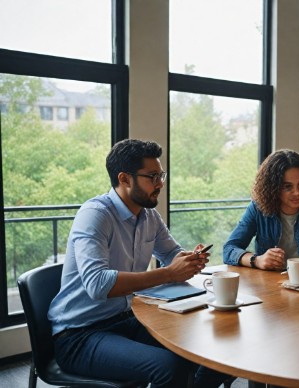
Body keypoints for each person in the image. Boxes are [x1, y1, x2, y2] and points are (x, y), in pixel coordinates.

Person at [48, 139, 232, 387]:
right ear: (124, 179)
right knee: (169, 366)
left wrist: (188, 260)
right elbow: (98, 284)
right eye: (152, 176)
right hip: (80, 335)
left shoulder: (148, 216)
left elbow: (171, 253)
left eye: (161, 175)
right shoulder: (95, 215)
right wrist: (169, 273)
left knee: (213, 346)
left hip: (128, 319)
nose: (160, 184)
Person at [223, 149, 299, 271]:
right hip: (268, 285)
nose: (297, 192)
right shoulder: (257, 208)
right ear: (273, 188)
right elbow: (229, 249)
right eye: (287, 187)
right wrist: (257, 260)